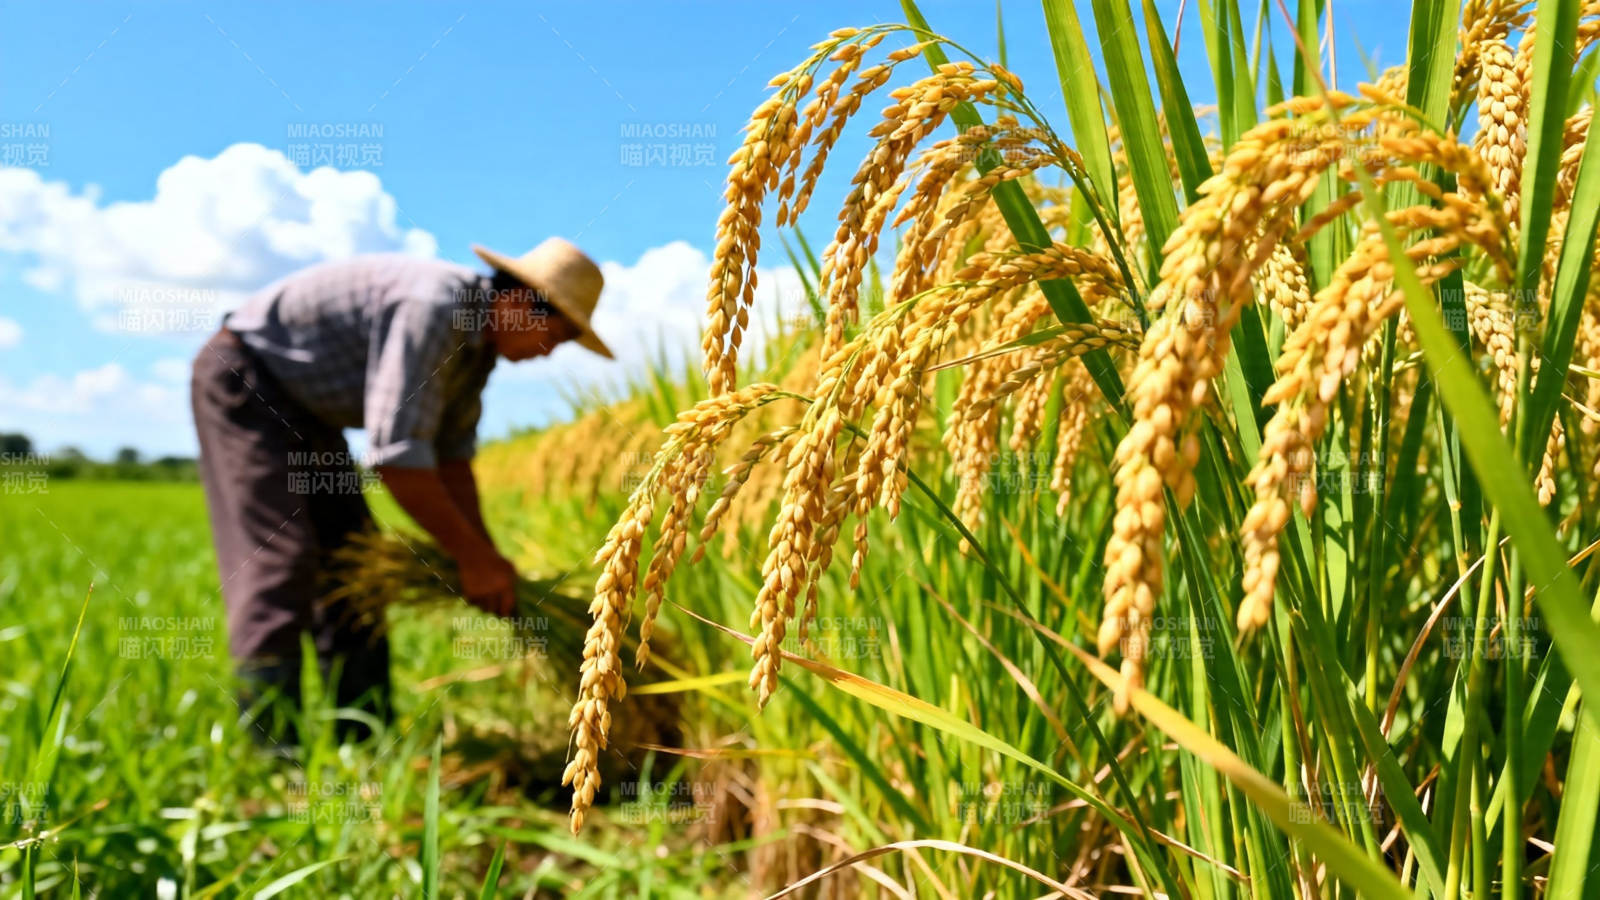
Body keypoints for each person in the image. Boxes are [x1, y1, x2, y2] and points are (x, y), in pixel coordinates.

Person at [189, 237, 612, 744]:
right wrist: (471, 558)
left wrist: (487, 558)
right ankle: (271, 755)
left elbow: (451, 462)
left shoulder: (477, 352)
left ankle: (362, 738)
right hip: (248, 381)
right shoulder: (435, 309)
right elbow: (398, 459)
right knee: (281, 561)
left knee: (353, 564)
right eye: (555, 337)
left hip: (309, 411)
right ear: (521, 303)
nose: (548, 354)